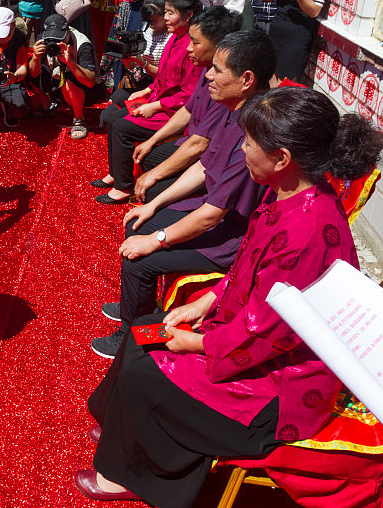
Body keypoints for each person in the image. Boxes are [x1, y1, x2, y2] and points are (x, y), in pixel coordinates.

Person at [77, 86, 383, 508]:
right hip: (246, 337)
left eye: (248, 143)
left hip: (280, 385)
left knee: (146, 370)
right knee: (142, 334)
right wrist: (204, 303)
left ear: (281, 158)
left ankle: (129, 474)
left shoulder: (307, 229)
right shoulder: (292, 194)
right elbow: (250, 270)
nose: (241, 149)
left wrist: (197, 341)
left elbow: (271, 331)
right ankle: (125, 429)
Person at [91, 30, 276, 359]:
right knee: (139, 223)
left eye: (218, 69)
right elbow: (206, 166)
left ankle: (133, 338)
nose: (208, 75)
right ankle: (138, 309)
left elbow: (213, 214)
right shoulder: (236, 111)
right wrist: (154, 206)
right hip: (217, 215)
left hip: (233, 237)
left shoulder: (254, 130)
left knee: (140, 257)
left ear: (247, 79)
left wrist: (157, 239)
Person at [93, 0, 203, 204]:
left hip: (171, 111)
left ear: (188, 15)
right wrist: (148, 90)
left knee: (122, 127)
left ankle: (123, 187)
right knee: (113, 118)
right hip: (159, 101)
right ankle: (117, 174)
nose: (166, 18)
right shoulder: (175, 38)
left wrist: (156, 105)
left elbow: (188, 96)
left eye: (171, 13)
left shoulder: (192, 46)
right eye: (167, 12)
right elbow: (163, 76)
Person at [131, 6, 243, 204]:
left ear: (219, 45)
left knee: (153, 189)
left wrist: (154, 175)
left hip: (207, 161)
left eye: (195, 42)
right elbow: (188, 110)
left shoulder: (224, 85)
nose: (188, 47)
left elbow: (200, 145)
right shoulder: (205, 68)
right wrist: (152, 140)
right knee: (148, 155)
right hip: (190, 143)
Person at [29, 14, 97, 138]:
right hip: (55, 79)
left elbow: (91, 82)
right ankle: (47, 104)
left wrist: (71, 63)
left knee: (69, 79)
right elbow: (33, 74)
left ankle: (79, 118)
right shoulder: (43, 39)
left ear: (68, 32)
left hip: (81, 87)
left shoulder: (83, 43)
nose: (56, 43)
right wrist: (35, 58)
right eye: (52, 39)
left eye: (60, 39)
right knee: (28, 71)